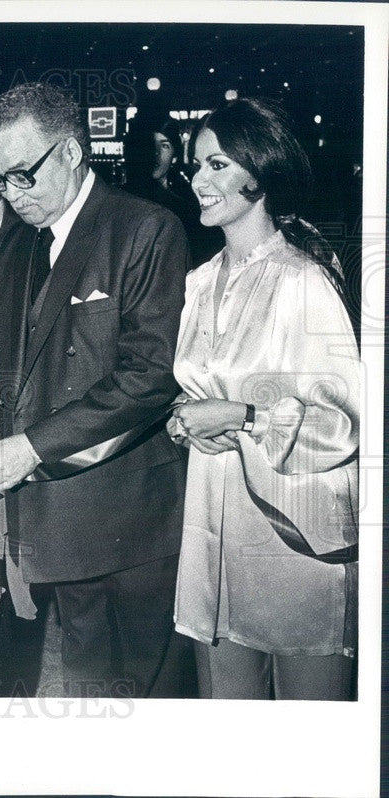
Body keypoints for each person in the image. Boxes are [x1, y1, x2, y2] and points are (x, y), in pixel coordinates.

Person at [0, 83, 193, 698]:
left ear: (73, 152)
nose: (11, 194)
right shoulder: (21, 238)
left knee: (151, 688)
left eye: (23, 173)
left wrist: (31, 445)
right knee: (86, 680)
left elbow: (149, 375)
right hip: (56, 514)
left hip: (131, 511)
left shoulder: (145, 229)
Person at [170, 98, 359, 700]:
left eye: (216, 165)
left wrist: (243, 417)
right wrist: (185, 423)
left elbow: (346, 424)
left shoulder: (303, 280)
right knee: (230, 743)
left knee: (309, 745)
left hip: (295, 544)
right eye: (195, 165)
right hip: (213, 539)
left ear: (260, 173)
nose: (198, 180)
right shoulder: (197, 284)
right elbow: (187, 392)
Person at [123, 118, 223, 267]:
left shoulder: (190, 204)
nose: (156, 152)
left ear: (175, 156)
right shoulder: (124, 199)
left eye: (164, 145)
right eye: (151, 145)